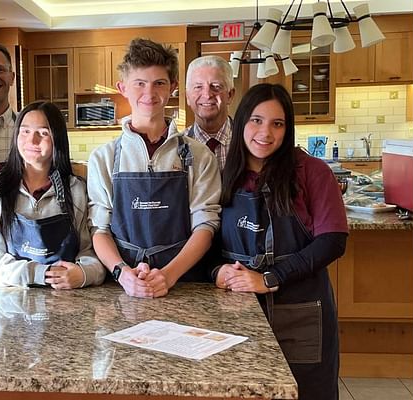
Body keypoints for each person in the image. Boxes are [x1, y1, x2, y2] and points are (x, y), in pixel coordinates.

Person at [212, 83, 347, 400]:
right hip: (236, 313)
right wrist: (216, 271)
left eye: (277, 123)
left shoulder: (312, 172)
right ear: (242, 121)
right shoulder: (225, 175)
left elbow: (333, 240)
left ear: (288, 129)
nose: (266, 133)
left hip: (301, 312)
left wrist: (271, 278)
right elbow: (207, 242)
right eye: (256, 120)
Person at [86, 38, 221, 299]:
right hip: (123, 287)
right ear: (122, 88)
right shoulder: (103, 157)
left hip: (184, 286)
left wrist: (168, 275)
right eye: (140, 83)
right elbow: (99, 230)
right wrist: (123, 274)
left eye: (159, 83)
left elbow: (206, 225)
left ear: (172, 87)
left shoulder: (198, 155)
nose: (149, 93)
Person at [0, 101, 105, 289]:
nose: (32, 141)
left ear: (57, 138)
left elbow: (91, 252)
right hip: (10, 302)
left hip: (67, 301)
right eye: (25, 131)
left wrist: (82, 274)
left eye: (43, 133)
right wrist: (41, 273)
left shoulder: (77, 190)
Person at [170, 55, 236, 170]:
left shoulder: (249, 142)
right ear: (187, 97)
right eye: (198, 87)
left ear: (230, 95)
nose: (207, 94)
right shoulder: (175, 148)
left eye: (216, 86)